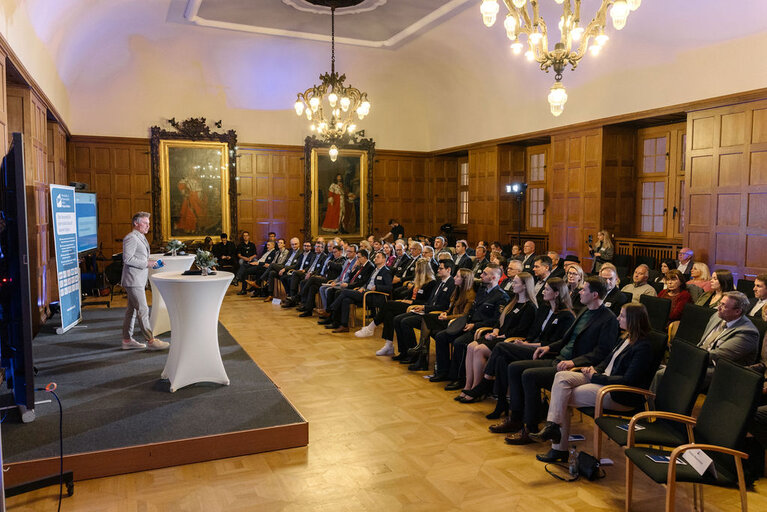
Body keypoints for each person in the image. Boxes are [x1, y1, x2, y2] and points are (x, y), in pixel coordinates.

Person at [493, 277, 619, 445]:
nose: (580, 292)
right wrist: (548, 347)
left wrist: (574, 362)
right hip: (559, 358)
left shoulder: (608, 319)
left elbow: (601, 352)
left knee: (529, 375)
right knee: (515, 368)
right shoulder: (584, 310)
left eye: (584, 290)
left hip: (573, 366)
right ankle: (515, 418)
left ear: (595, 295)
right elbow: (567, 339)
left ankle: (530, 428)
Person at [529, 303, 656, 462]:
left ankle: (558, 448)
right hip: (602, 379)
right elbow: (606, 361)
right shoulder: (625, 337)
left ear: (633, 320)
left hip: (617, 392)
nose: (618, 318)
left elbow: (628, 380)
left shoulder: (643, 347)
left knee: (563, 395)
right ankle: (552, 428)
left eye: (622, 316)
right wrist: (592, 370)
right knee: (561, 377)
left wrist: (595, 377)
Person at [468, 278, 576, 417]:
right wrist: (524, 342)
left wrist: (527, 345)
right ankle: (501, 404)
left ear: (556, 294)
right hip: (530, 346)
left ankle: (486, 382)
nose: (543, 291)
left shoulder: (567, 316)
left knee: (501, 346)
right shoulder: (544, 309)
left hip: (545, 353)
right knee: (501, 359)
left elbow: (555, 343)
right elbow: (532, 332)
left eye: (547, 289)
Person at [651, 291, 759, 393]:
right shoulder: (717, 317)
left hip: (719, 370)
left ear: (737, 311)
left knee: (663, 375)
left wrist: (686, 356)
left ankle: (654, 409)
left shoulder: (747, 333)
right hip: (700, 359)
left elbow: (717, 356)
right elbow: (702, 344)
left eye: (724, 306)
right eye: (720, 303)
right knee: (651, 365)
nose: (718, 308)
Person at [457, 272, 537, 403]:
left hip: (509, 340)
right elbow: (499, 321)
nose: (513, 285)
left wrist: (500, 335)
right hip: (499, 336)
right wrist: (495, 331)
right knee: (471, 346)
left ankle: (478, 388)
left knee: (479, 350)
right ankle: (468, 385)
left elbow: (521, 330)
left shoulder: (530, 307)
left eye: (516, 283)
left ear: (524, 286)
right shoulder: (513, 302)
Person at [430, 264, 510, 390]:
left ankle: (459, 378)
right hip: (469, 325)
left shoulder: (501, 296)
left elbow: (496, 320)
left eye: (485, 274)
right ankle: (443, 371)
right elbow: (472, 311)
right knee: (441, 336)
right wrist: (463, 322)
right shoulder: (482, 291)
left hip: (481, 330)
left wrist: (475, 325)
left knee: (459, 343)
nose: (481, 276)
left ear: (493, 277)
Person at [357, 259, 435, 353]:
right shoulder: (417, 281)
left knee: (388, 304)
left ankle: (371, 327)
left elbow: (427, 301)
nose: (415, 270)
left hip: (416, 307)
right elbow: (410, 295)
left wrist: (411, 302)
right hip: (409, 304)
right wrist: (406, 299)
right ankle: (388, 345)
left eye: (417, 268)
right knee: (389, 314)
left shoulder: (431, 283)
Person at [121, 212, 168, 351]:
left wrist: (153, 262)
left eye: (148, 223)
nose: (148, 226)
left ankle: (127, 340)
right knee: (143, 310)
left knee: (131, 311)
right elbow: (127, 259)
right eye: (145, 223)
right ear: (136, 223)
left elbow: (140, 256)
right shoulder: (131, 238)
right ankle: (151, 340)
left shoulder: (140, 237)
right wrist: (148, 263)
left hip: (138, 279)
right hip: (133, 280)